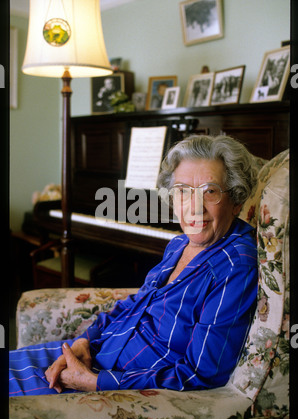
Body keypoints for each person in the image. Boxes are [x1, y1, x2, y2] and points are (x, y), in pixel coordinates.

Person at [9, 135, 258, 396]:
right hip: (97, 350)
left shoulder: (235, 267)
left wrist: (93, 382)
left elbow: (201, 373)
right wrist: (85, 340)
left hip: (115, 384)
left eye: (210, 192)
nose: (195, 208)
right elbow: (136, 305)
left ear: (236, 200)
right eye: (183, 191)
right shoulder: (179, 244)